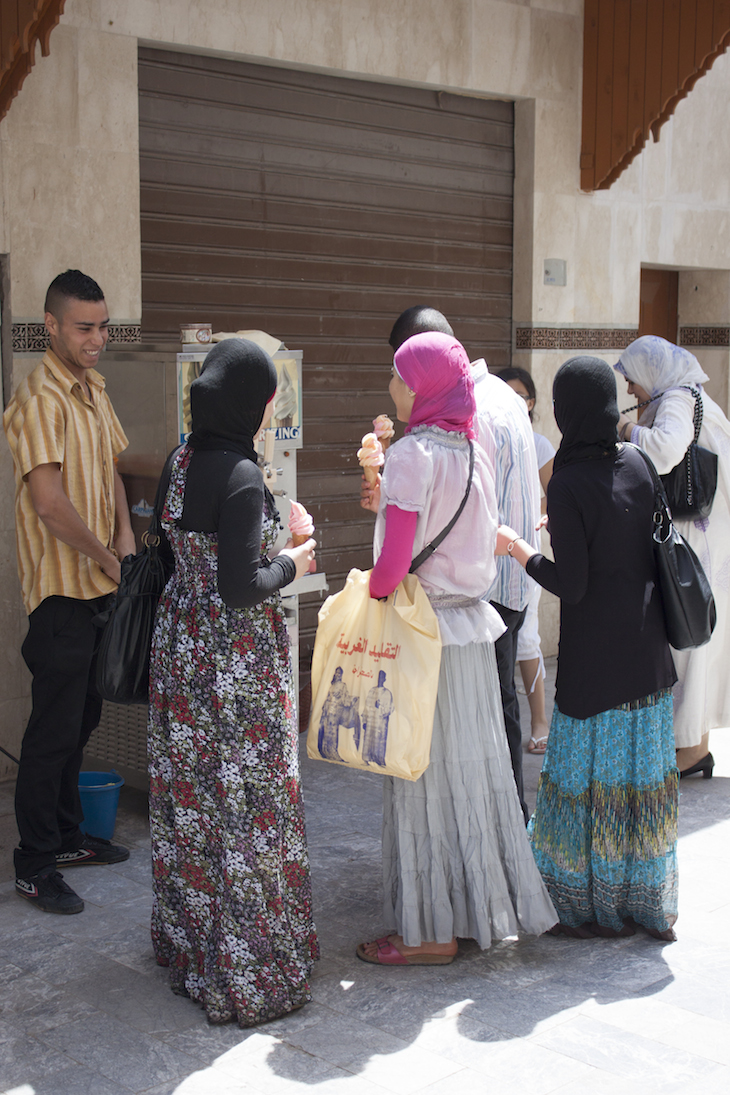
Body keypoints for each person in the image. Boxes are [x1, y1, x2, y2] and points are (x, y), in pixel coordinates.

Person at [358, 331, 556, 965]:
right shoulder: (473, 447)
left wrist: (371, 594)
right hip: (470, 632)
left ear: (418, 387)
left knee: (419, 775)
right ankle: (472, 909)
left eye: (399, 376)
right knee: (470, 773)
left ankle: (429, 932)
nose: (392, 386)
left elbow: (394, 562)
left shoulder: (415, 454)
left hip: (425, 635)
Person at [148, 338, 319, 1027]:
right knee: (248, 803)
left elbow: (176, 549)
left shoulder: (180, 459)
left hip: (182, 646)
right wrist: (295, 560)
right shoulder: (244, 475)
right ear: (260, 402)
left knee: (192, 796)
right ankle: (247, 961)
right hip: (236, 663)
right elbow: (244, 585)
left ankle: (192, 946)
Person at [497, 356, 679, 941]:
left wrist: (521, 551)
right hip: (646, 659)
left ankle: (582, 905)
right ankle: (643, 904)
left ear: (564, 412)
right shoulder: (639, 462)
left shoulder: (571, 481)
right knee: (637, 791)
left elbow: (570, 583)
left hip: (594, 668)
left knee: (586, 789)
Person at [3, 269, 135, 916]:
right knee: (52, 730)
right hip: (60, 593)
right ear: (51, 325)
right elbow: (50, 504)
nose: (97, 338)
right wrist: (109, 556)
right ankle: (33, 861)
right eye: (84, 327)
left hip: (99, 586)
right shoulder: (39, 399)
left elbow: (109, 470)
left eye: (103, 326)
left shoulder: (92, 389)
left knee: (81, 717)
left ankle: (65, 837)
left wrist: (127, 543)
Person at [387, 307, 541, 821]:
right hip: (493, 596)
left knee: (456, 741)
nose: (394, 380)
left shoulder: (435, 441)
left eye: (400, 369)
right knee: (490, 728)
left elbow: (404, 552)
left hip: (456, 609)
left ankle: (468, 845)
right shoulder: (494, 407)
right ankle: (501, 835)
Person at [615, 336, 730, 777]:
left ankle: (692, 749)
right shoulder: (686, 395)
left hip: (694, 539)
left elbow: (663, 452)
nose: (630, 392)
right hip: (700, 535)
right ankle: (692, 743)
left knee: (688, 640)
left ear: (651, 372)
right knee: (691, 638)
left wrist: (627, 431)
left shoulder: (678, 399)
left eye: (632, 380)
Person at [497, 367, 555, 754]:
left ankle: (539, 721)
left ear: (531, 402)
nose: (515, 400)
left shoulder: (540, 444)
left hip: (526, 553)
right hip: (492, 554)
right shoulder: (493, 434)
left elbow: (554, 493)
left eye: (521, 394)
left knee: (528, 637)